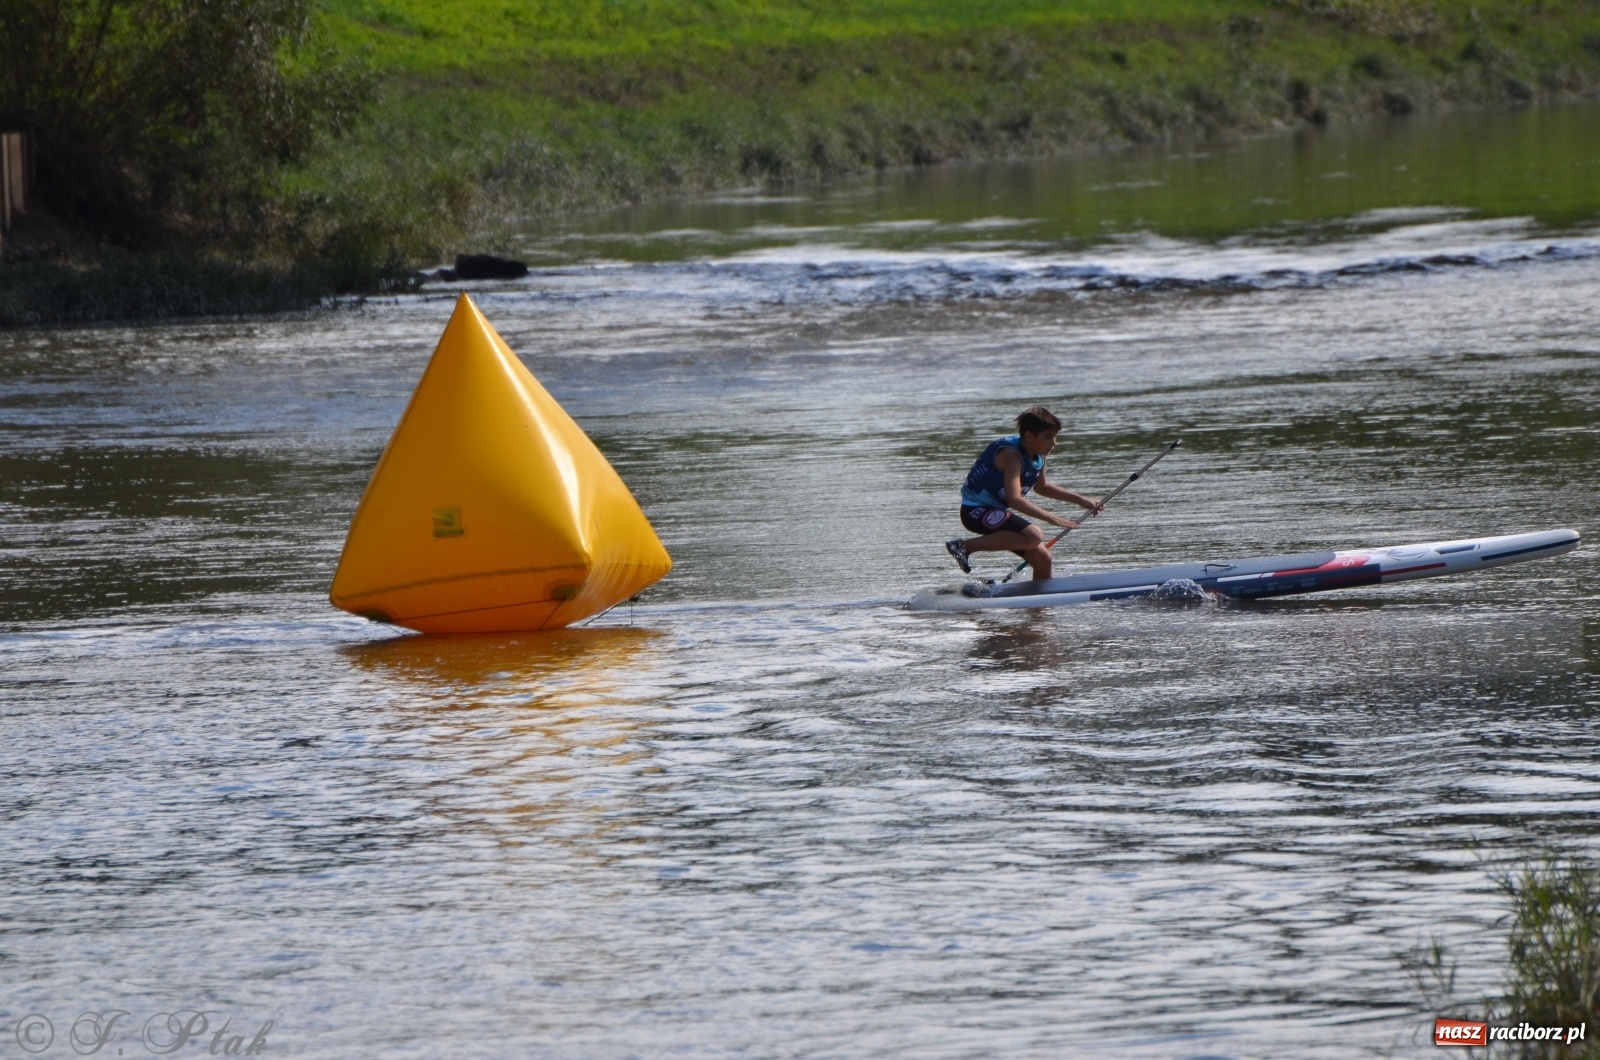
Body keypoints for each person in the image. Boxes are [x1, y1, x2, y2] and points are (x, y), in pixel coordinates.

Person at [946, 407, 1102, 581]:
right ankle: (963, 547)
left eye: (1054, 437)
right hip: (975, 512)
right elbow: (1014, 499)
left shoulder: (1038, 454)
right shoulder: (1011, 455)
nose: (1054, 443)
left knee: (1043, 560)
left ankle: (1038, 606)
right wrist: (1049, 517)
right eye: (1048, 437)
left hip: (993, 510)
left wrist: (1081, 500)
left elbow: (1042, 487)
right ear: (1029, 436)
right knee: (1033, 536)